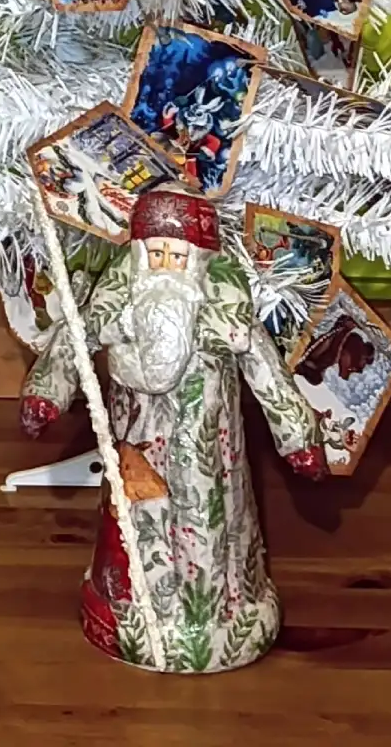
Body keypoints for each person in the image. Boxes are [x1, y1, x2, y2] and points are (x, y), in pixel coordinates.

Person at [21, 187, 327, 674]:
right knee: (134, 525)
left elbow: (266, 370)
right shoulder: (121, 304)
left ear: (199, 260)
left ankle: (221, 615)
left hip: (207, 449)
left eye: (176, 256)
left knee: (207, 527)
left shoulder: (223, 315)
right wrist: (46, 394)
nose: (164, 267)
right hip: (136, 441)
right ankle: (126, 606)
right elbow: (74, 338)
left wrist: (298, 438)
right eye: (156, 254)